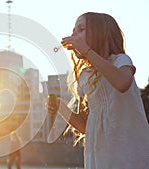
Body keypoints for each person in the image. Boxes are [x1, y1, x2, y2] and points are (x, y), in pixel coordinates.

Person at [47, 12, 149, 169]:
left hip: (127, 149)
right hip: (100, 155)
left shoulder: (120, 60)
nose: (74, 35)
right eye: (73, 31)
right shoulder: (85, 76)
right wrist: (62, 108)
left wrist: (87, 51)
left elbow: (122, 83)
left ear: (101, 34)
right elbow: (85, 126)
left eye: (81, 29)